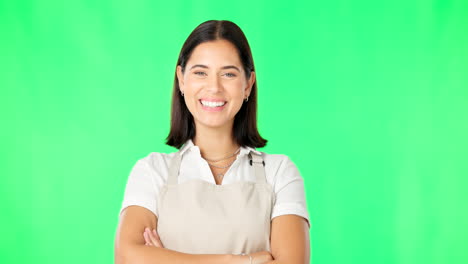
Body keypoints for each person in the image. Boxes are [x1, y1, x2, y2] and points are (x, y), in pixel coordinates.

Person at [114, 20, 311, 264]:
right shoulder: (152, 171)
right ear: (181, 79)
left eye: (228, 74)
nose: (214, 87)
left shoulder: (280, 173)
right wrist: (239, 260)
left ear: (248, 84)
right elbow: (126, 257)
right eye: (200, 73)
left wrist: (165, 258)